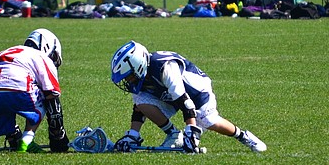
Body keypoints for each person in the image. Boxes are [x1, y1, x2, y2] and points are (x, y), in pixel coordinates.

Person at [109, 41, 267, 154]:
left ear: (139, 65)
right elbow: (139, 108)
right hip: (171, 94)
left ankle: (243, 136)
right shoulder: (142, 76)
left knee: (208, 120)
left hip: (196, 91)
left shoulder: (165, 67)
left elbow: (185, 101)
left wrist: (191, 131)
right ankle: (173, 134)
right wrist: (132, 135)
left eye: (128, 76)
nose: (127, 80)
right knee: (141, 101)